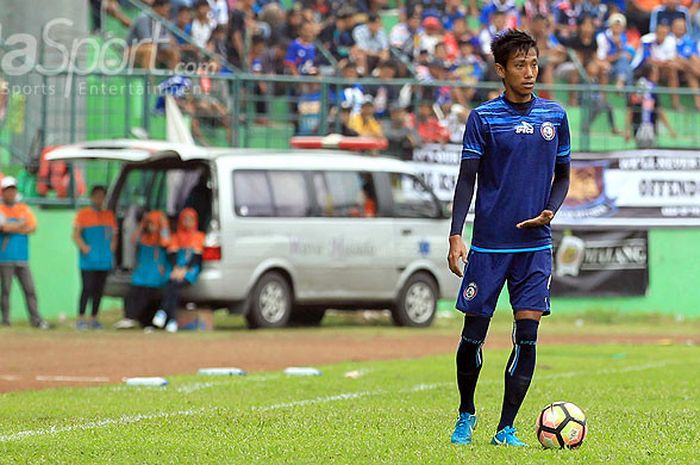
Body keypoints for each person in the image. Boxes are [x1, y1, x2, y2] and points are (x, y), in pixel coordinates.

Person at [448, 30, 571, 447]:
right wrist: (455, 235)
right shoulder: (483, 118)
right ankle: (466, 413)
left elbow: (564, 175)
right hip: (487, 247)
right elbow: (467, 181)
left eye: (534, 64)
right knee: (473, 336)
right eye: (520, 65)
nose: (530, 72)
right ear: (501, 70)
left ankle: (506, 428)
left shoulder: (554, 117)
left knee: (527, 335)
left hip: (534, 248)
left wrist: (551, 210)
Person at [0, 177, 48, 329]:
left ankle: (36, 320)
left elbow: (32, 226)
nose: (11, 193)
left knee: (30, 289)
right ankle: (6, 320)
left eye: (13, 190)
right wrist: (20, 225)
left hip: (22, 257)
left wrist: (13, 226)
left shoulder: (24, 208)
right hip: (5, 257)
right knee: (6, 291)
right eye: (8, 190)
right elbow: (3, 227)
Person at [114, 211, 171, 329]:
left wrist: (163, 224)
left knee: (146, 294)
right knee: (133, 292)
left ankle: (135, 318)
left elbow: (166, 241)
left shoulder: (161, 239)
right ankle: (128, 317)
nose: (152, 227)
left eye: (154, 223)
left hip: (154, 273)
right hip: (142, 272)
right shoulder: (144, 237)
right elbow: (133, 240)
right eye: (149, 224)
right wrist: (143, 224)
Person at [152, 209, 205, 333]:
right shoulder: (175, 236)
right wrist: (176, 268)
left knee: (173, 286)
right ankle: (171, 320)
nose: (187, 222)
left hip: (190, 270)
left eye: (190, 220)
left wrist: (184, 270)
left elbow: (196, 258)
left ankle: (164, 313)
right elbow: (172, 254)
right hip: (176, 269)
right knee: (171, 285)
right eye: (185, 219)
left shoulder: (199, 237)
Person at [72, 186, 117, 330]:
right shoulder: (83, 214)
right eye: (97, 196)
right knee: (87, 288)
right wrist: (85, 248)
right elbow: (76, 235)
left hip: (104, 260)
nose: (99, 199)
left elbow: (114, 235)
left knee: (99, 290)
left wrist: (111, 250)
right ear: (91, 197)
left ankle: (94, 318)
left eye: (102, 196)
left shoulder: (109, 215)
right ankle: (80, 318)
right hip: (88, 261)